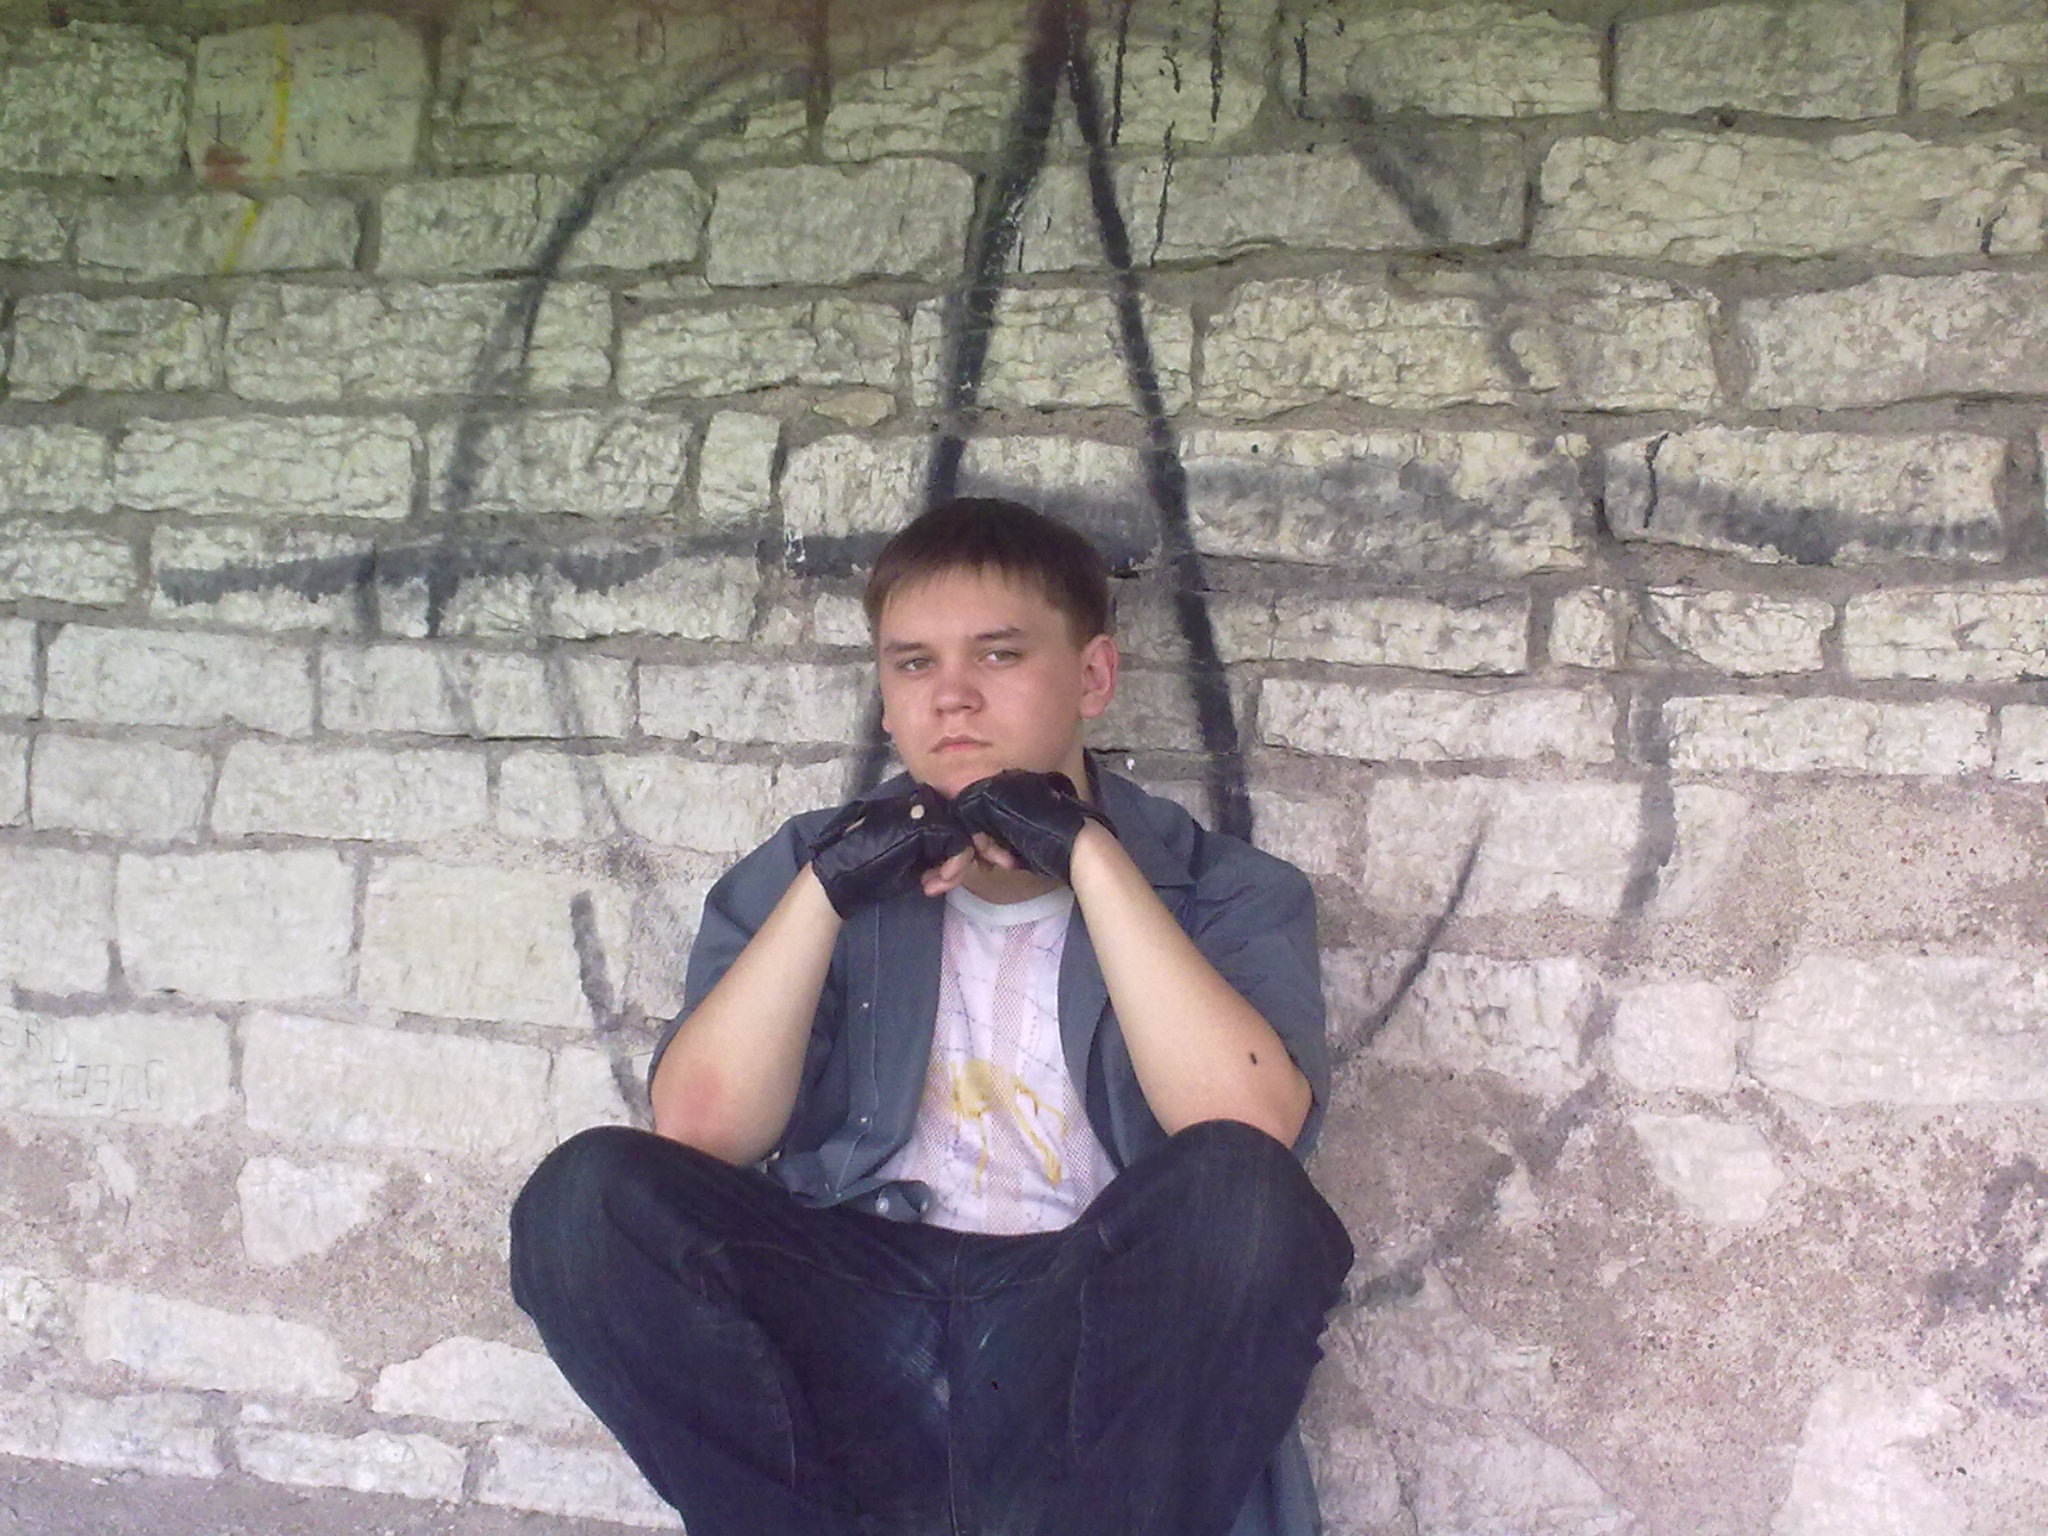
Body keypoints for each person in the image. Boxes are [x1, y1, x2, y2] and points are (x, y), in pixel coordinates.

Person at [510, 496, 1353, 1536]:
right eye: (913, 664)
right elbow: (699, 1128)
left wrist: (1090, 857)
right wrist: (828, 890)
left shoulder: (1223, 887)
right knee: (585, 1200)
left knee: (1245, 1197)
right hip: (856, 1313)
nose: (951, 696)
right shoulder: (807, 867)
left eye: (998, 655)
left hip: (1081, 1339)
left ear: (1092, 677)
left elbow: (1248, 1136)